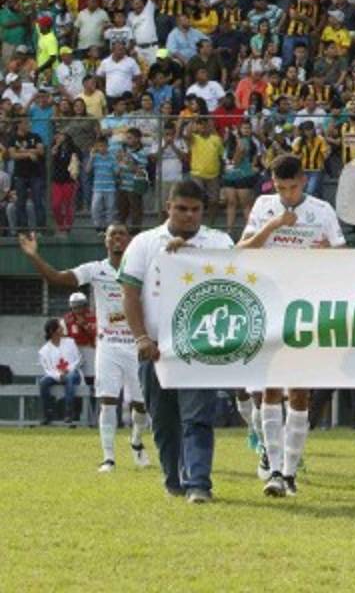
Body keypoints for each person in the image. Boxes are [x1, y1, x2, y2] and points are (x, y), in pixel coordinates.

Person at [119, 180, 235, 503]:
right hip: (155, 349)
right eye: (181, 209)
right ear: (168, 207)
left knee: (198, 419)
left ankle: (198, 483)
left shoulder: (220, 243)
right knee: (164, 422)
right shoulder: (144, 243)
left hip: (200, 347)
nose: (188, 216)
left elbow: (232, 286)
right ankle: (173, 480)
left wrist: (192, 260)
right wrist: (141, 337)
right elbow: (129, 294)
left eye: (195, 210)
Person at [238, 154, 346, 497]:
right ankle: (273, 469)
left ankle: (290, 472)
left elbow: (345, 259)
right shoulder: (263, 206)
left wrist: (327, 254)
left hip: (307, 307)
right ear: (273, 183)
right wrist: (273, 227)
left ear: (305, 181)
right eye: (281, 187)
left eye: (293, 187)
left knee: (299, 391)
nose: (287, 194)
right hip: (269, 303)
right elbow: (241, 250)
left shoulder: (322, 211)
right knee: (269, 389)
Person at [20, 225, 150, 471]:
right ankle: (108, 458)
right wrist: (33, 255)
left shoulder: (141, 268)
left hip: (135, 345)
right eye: (112, 234)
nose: (117, 238)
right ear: (106, 241)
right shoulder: (95, 269)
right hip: (108, 346)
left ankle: (136, 441)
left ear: (129, 239)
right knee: (107, 401)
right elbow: (56, 278)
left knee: (141, 405)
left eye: (122, 233)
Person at [37, 318, 82, 426]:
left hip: (73, 374)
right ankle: (47, 414)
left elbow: (79, 359)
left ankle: (68, 413)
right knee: (43, 382)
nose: (62, 328)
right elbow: (47, 369)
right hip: (55, 376)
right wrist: (58, 375)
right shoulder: (44, 350)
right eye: (59, 327)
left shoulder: (70, 342)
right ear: (53, 331)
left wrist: (68, 370)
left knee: (70, 378)